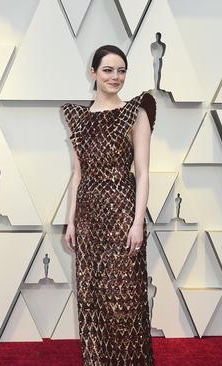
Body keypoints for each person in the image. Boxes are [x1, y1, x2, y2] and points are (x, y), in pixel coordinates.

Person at [61, 44, 156, 365]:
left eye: (121, 70)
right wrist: (71, 221)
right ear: (93, 73)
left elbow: (142, 173)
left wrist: (138, 222)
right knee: (93, 300)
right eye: (108, 70)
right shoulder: (78, 119)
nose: (116, 77)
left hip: (122, 214)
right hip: (88, 218)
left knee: (124, 302)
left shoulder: (136, 112)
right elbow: (77, 175)